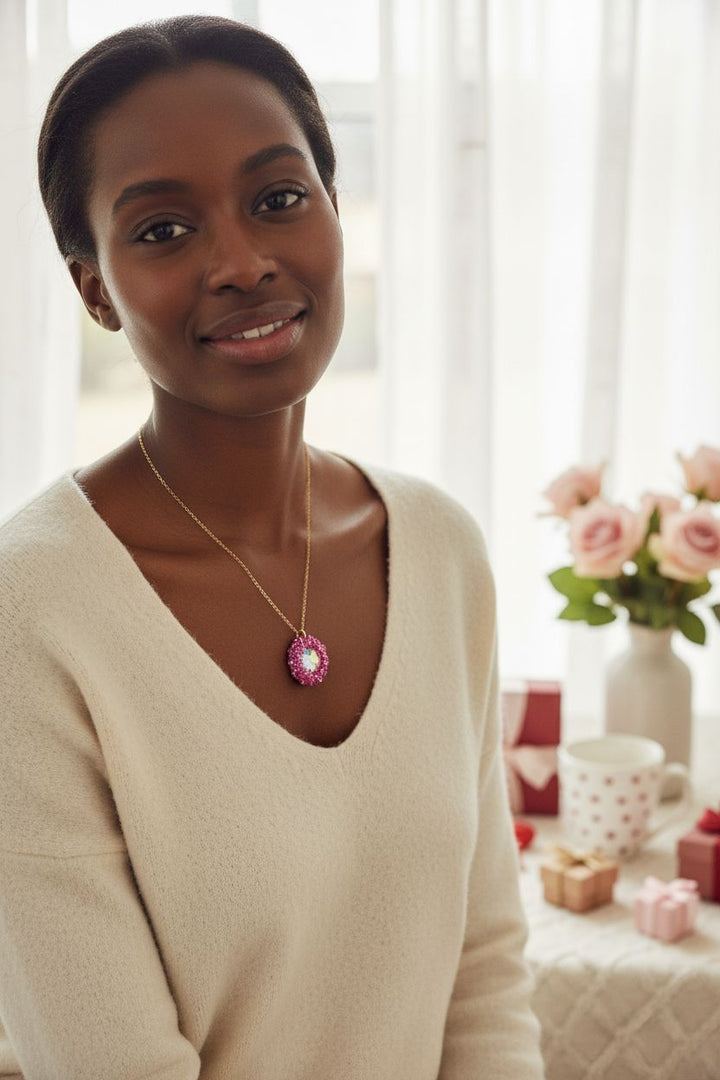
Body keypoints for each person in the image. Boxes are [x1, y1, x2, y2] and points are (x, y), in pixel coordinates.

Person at [0, 15, 544, 1080]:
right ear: (95, 288)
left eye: (279, 199)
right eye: (162, 230)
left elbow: (483, 979)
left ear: (338, 213)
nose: (242, 263)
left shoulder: (438, 550)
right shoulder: (32, 613)